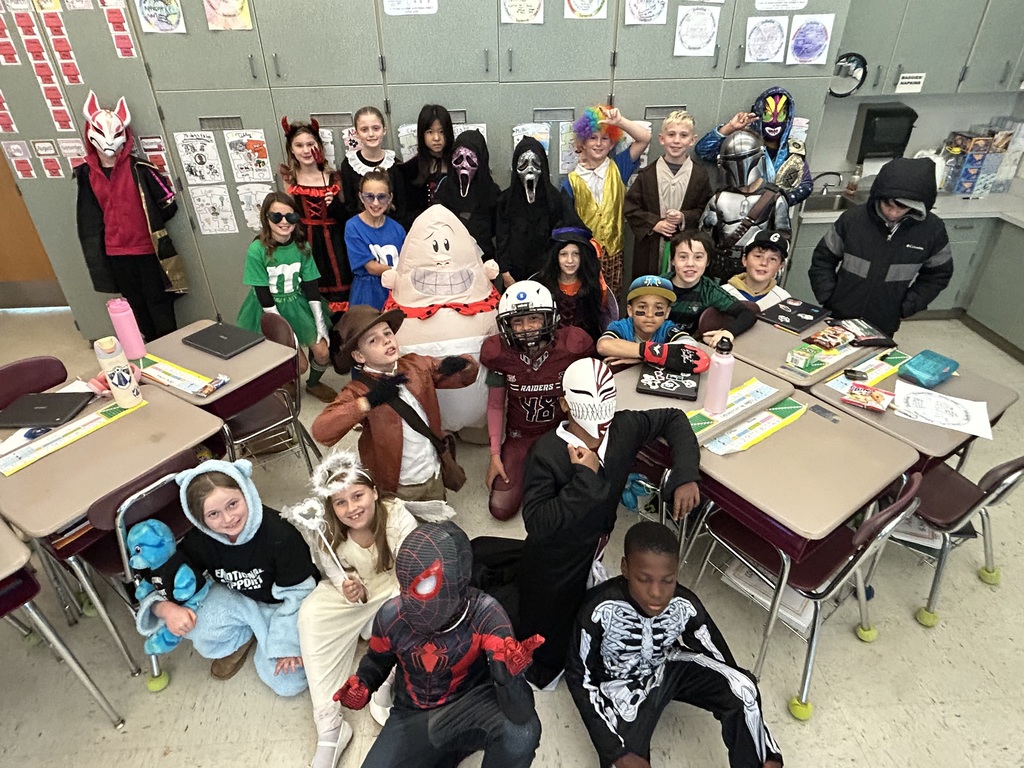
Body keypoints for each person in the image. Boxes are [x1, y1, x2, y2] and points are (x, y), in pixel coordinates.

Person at [516, 358, 702, 690]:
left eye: (605, 419)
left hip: (597, 545)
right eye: (590, 418)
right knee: (550, 641)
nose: (599, 429)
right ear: (564, 405)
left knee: (595, 618)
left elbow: (673, 418)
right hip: (555, 560)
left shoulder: (621, 429)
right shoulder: (545, 453)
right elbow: (538, 523)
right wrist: (585, 480)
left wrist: (686, 474)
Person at [565, 521, 784, 768]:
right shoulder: (598, 609)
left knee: (742, 687)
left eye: (667, 580)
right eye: (644, 579)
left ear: (677, 573)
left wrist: (764, 744)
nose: (657, 593)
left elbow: (720, 659)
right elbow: (579, 675)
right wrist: (615, 751)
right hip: (618, 686)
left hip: (666, 665)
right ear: (625, 568)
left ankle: (760, 763)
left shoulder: (684, 604)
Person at [334, 521, 543, 768]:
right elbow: (377, 660)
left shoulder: (486, 616)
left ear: (458, 578)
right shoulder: (391, 616)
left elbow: (520, 714)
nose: (409, 599)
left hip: (473, 703)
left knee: (521, 734)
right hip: (413, 714)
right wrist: (364, 682)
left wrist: (509, 677)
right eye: (404, 585)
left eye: (423, 585)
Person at [135, 459, 318, 697]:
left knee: (288, 684)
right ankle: (244, 637)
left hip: (283, 607)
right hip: (239, 600)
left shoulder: (280, 534)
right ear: (199, 519)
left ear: (247, 492)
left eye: (233, 504)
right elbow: (159, 578)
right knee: (191, 622)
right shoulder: (200, 539)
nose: (228, 519)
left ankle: (268, 636)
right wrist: (165, 609)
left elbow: (300, 593)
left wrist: (287, 644)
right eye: (213, 514)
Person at [290, 450, 418, 768]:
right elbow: (335, 575)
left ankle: (384, 679)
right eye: (340, 502)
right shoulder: (327, 533)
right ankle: (330, 726)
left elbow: (415, 569)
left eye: (358, 496)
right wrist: (350, 589)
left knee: (406, 609)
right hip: (360, 594)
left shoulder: (398, 515)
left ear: (374, 492)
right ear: (331, 507)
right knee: (311, 616)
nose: (352, 508)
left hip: (394, 586)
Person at [311, 305, 479, 501]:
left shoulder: (417, 365)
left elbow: (465, 376)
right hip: (398, 486)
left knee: (437, 520)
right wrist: (367, 402)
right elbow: (321, 431)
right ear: (359, 356)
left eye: (387, 333)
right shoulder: (357, 391)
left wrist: (463, 364)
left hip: (433, 471)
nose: (386, 341)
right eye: (374, 340)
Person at [481, 281, 595, 521]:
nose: (526, 328)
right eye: (517, 321)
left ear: (548, 318)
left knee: (575, 502)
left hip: (560, 433)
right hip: (519, 437)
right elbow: (494, 405)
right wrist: (494, 454)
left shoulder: (572, 346)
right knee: (500, 509)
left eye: (533, 318)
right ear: (506, 325)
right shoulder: (499, 353)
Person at [76, 91, 184, 340]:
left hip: (147, 249)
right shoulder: (86, 174)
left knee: (158, 299)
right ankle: (148, 343)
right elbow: (89, 215)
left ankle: (169, 342)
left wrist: (146, 225)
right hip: (115, 252)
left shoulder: (141, 169)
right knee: (134, 302)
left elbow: (168, 204)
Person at [808, 156, 953, 337]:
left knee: (870, 363)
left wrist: (908, 306)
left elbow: (938, 275)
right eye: (888, 204)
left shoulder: (932, 231)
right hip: (838, 316)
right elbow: (823, 259)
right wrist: (828, 295)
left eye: (901, 207)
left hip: (884, 322)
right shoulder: (852, 220)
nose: (892, 213)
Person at [236, 191, 337, 403]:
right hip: (268, 310)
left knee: (322, 352)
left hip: (296, 304)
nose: (284, 222)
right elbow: (263, 295)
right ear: (266, 218)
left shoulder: (302, 246)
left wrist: (319, 320)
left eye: (290, 217)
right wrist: (288, 333)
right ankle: (286, 381)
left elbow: (311, 285)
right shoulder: (257, 250)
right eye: (276, 217)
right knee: (298, 365)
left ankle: (314, 384)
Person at [562, 106, 652, 297]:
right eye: (593, 138)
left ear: (612, 144)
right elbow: (567, 223)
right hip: (584, 255)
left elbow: (644, 138)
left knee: (611, 301)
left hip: (613, 255)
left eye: (605, 138)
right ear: (583, 142)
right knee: (585, 300)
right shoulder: (571, 181)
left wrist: (619, 122)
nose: (599, 143)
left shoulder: (619, 167)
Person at [624, 110, 713, 280]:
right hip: (651, 249)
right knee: (650, 290)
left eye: (684, 135)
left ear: (692, 140)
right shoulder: (647, 175)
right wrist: (654, 223)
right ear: (662, 139)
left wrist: (684, 217)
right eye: (671, 134)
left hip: (686, 248)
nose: (677, 141)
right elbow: (630, 208)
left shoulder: (699, 176)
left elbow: (706, 211)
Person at [279, 118, 351, 320]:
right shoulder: (291, 180)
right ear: (291, 150)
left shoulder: (333, 178)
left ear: (319, 147)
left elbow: (347, 216)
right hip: (308, 243)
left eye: (311, 144)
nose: (306, 150)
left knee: (341, 300)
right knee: (313, 299)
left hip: (335, 245)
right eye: (299, 145)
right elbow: (289, 218)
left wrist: (334, 204)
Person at [694, 86, 813, 207]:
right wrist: (730, 127)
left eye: (780, 116)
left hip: (773, 216)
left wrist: (777, 203)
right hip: (736, 211)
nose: (773, 122)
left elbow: (806, 185)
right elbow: (703, 151)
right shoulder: (743, 145)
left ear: (788, 118)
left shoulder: (793, 150)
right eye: (767, 116)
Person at [699, 130, 791, 282]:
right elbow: (702, 239)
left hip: (757, 267)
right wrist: (708, 226)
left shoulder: (774, 198)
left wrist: (776, 269)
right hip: (722, 265)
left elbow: (782, 240)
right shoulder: (718, 198)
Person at [596, 274, 711, 372]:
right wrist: (651, 353)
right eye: (642, 307)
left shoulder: (666, 328)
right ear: (630, 310)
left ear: (667, 312)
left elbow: (690, 345)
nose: (650, 314)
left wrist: (643, 357)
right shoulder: (621, 327)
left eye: (658, 308)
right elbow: (603, 345)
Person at [496, 136, 566, 288]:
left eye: (535, 163)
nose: (530, 169)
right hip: (513, 276)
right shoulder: (505, 200)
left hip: (546, 274)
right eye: (523, 164)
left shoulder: (554, 199)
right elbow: (502, 239)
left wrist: (552, 272)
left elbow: (559, 238)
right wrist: (505, 273)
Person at [666, 230, 757, 346]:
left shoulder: (709, 290)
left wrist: (728, 332)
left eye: (698, 257)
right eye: (683, 257)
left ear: (707, 261)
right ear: (673, 260)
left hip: (686, 347)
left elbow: (747, 314)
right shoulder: (657, 286)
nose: (690, 263)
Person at [534, 227, 618, 343]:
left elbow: (603, 324)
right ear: (555, 257)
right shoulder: (541, 287)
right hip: (551, 350)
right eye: (564, 254)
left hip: (585, 348)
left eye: (576, 254)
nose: (570, 260)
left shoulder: (593, 286)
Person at [435, 128, 501, 262]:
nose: (464, 166)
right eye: (459, 159)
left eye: (470, 160)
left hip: (484, 260)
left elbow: (496, 228)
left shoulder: (491, 192)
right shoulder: (444, 188)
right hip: (449, 258)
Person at [344, 170, 406, 311]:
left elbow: (407, 259)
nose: (376, 203)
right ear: (361, 197)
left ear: (390, 198)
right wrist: (401, 273)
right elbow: (371, 267)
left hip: (396, 291)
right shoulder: (353, 226)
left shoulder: (398, 229)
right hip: (368, 293)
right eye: (369, 197)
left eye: (381, 197)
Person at [339, 106, 406, 225]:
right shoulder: (349, 164)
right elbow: (350, 205)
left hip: (391, 228)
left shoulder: (395, 164)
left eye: (376, 128)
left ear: (384, 130)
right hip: (361, 230)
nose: (371, 134)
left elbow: (401, 206)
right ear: (356, 133)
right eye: (364, 129)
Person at [399, 104, 454, 227]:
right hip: (423, 231)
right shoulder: (410, 169)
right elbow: (405, 213)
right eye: (430, 132)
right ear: (421, 134)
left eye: (441, 131)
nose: (436, 138)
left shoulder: (458, 165)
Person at [722, 230, 792, 310]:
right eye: (758, 256)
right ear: (745, 260)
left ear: (781, 266)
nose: (764, 263)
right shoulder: (722, 294)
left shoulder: (784, 299)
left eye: (772, 259)